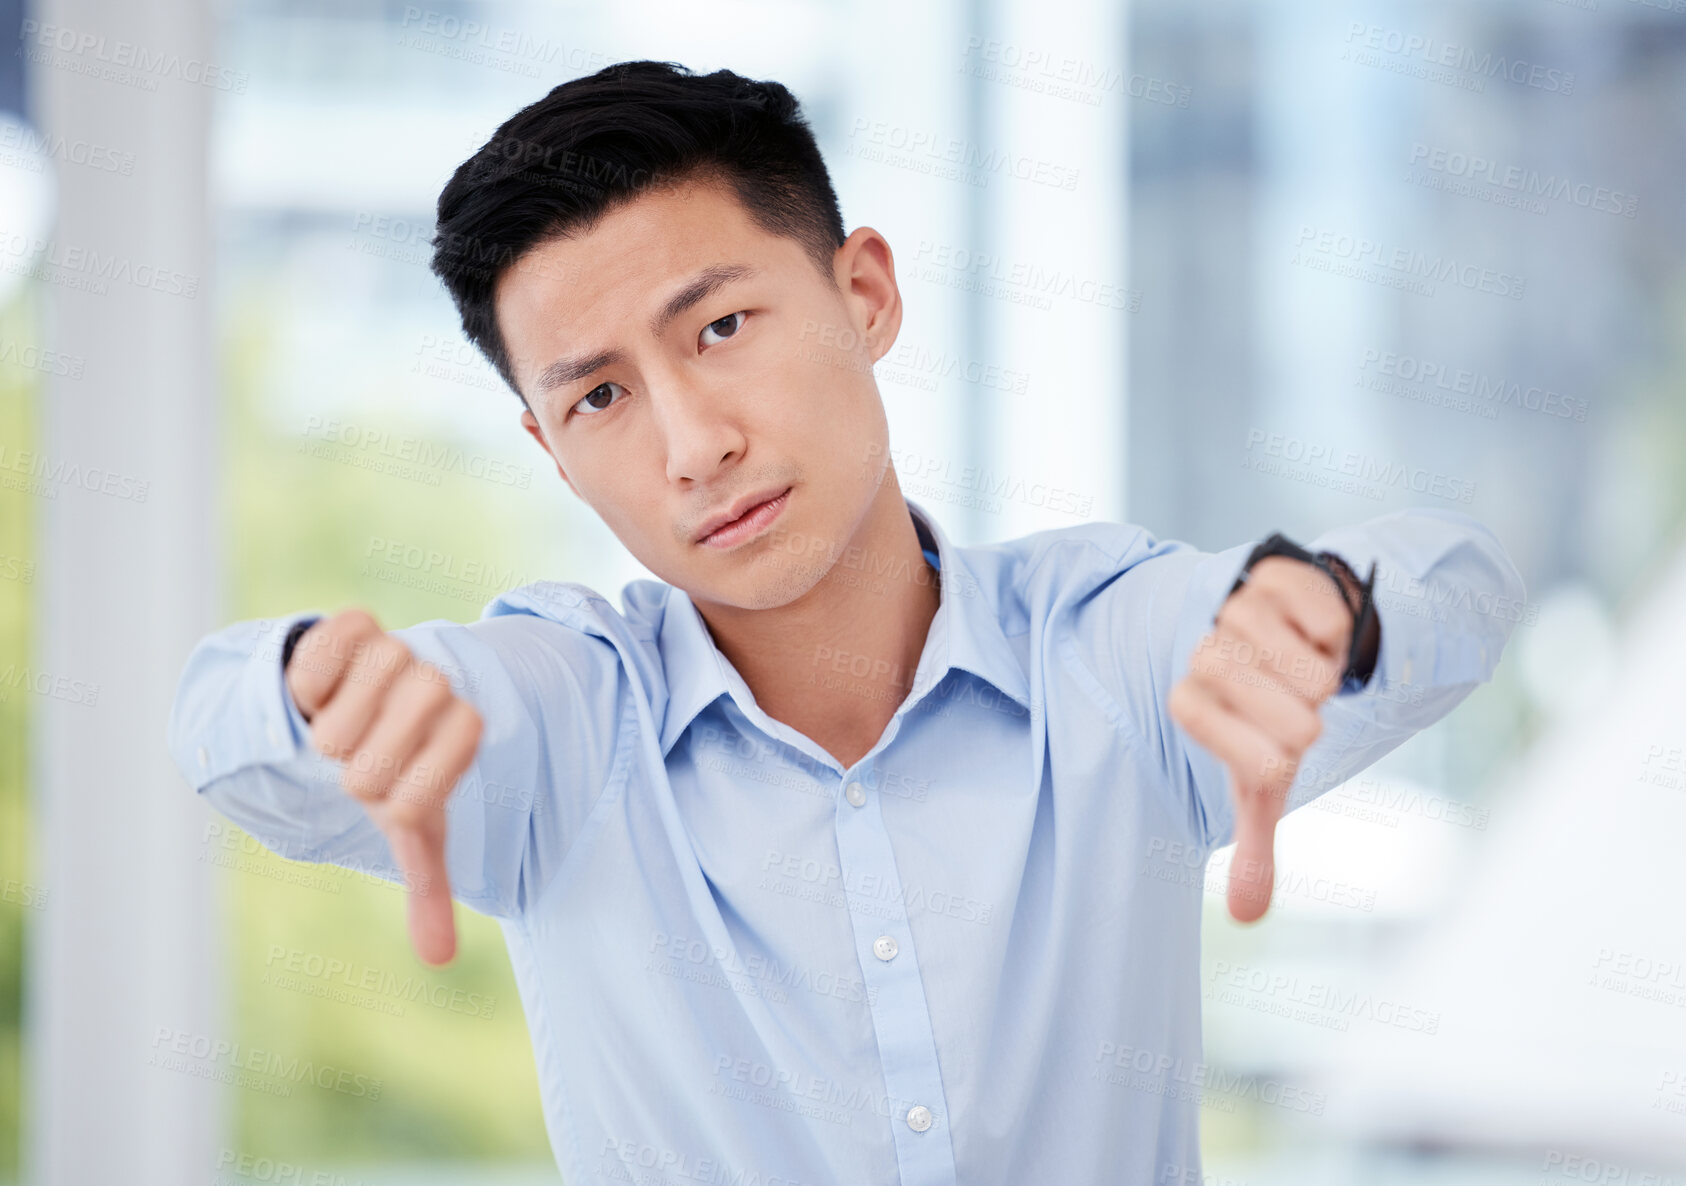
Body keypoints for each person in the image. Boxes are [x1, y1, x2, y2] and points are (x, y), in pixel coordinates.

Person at [168, 59, 1525, 1186]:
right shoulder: (563, 721)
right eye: (599, 398)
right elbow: (221, 723)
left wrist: (1322, 613)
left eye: (719, 328)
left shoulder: (1099, 648)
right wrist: (308, 685)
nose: (692, 444)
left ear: (862, 293)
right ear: (548, 447)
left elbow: (1449, 584)